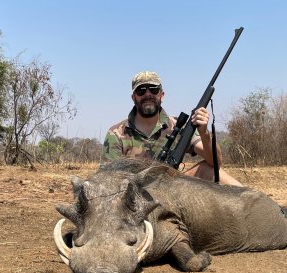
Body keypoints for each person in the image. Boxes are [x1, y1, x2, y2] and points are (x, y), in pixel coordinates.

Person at [100, 71, 242, 186]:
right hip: (133, 197)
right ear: (133, 97)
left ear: (162, 95)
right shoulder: (116, 133)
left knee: (210, 170)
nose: (148, 94)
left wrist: (204, 133)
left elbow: (215, 162)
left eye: (154, 89)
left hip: (173, 190)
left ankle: (253, 209)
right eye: (141, 90)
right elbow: (106, 181)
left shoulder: (177, 127)